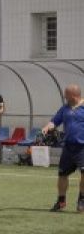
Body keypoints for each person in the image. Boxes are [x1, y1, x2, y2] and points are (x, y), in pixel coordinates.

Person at [42, 84, 84, 212]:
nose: (64, 96)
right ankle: (61, 201)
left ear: (73, 95)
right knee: (62, 174)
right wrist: (47, 127)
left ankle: (82, 200)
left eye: (66, 94)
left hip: (82, 147)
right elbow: (55, 121)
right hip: (68, 147)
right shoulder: (65, 108)